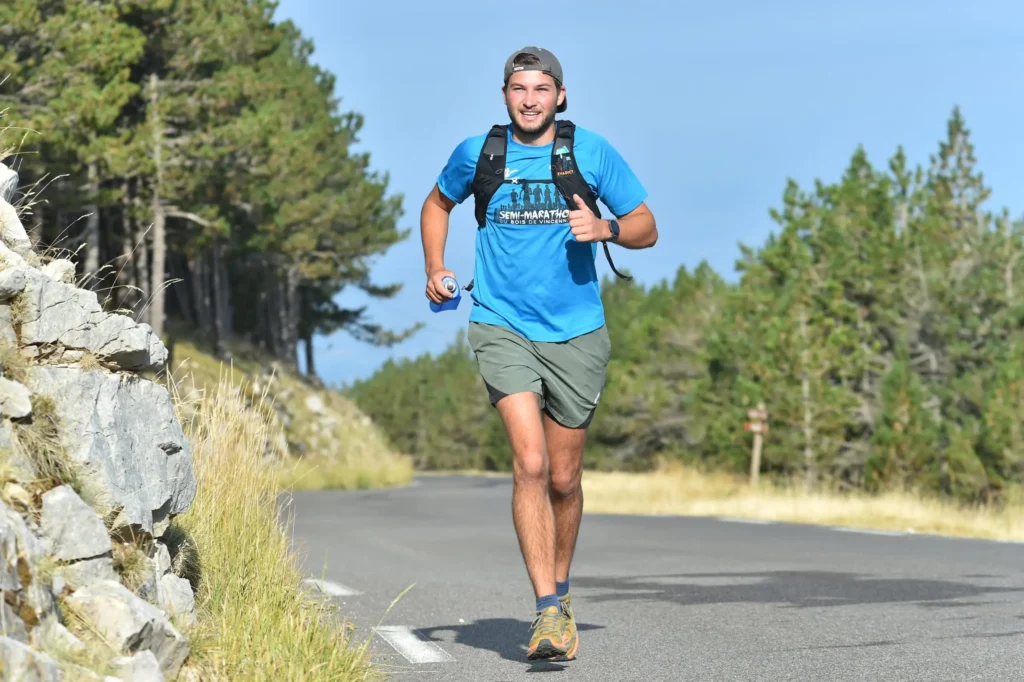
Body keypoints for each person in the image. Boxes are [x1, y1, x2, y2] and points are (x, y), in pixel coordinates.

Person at [419, 45, 657, 661]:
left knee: (563, 478)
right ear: (505, 95)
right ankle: (547, 610)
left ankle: (563, 590)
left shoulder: (590, 153)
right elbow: (437, 204)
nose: (530, 100)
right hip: (501, 324)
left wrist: (604, 228)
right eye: (519, 89)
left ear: (560, 96)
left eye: (541, 89)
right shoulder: (479, 154)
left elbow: (647, 226)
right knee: (528, 462)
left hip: (577, 333)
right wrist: (435, 267)